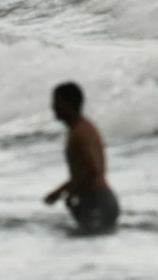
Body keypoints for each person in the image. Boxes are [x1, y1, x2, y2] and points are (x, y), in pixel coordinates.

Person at [44, 82, 119, 230]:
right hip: (95, 201)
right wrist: (63, 192)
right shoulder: (79, 129)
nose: (53, 107)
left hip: (97, 201)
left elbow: (92, 169)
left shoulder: (81, 132)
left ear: (69, 104)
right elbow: (84, 170)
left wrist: (65, 192)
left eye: (56, 102)